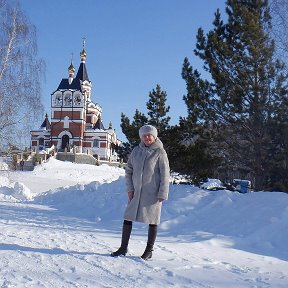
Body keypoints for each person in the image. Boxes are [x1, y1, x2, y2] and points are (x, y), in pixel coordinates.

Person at [111, 124, 170, 260]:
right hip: (136, 192)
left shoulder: (160, 152)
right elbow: (129, 171)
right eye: (144, 135)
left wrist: (163, 192)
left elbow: (165, 174)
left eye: (149, 135)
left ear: (154, 136)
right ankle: (123, 247)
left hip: (153, 193)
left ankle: (149, 250)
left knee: (153, 220)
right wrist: (130, 189)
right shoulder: (136, 151)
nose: (147, 137)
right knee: (127, 217)